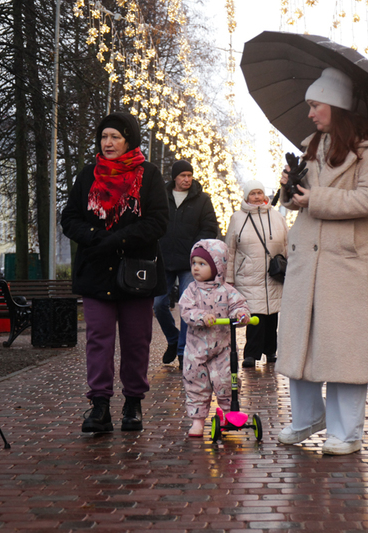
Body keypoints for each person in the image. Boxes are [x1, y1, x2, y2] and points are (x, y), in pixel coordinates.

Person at [275, 67, 368, 456]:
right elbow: (298, 202)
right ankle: (307, 417)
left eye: (315, 105)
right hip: (306, 263)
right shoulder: (311, 147)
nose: (309, 113)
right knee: (300, 344)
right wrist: (290, 189)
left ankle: (347, 433)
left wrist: (317, 198)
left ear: (336, 104)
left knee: (344, 350)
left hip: (347, 265)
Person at [61, 112, 168, 434]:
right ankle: (100, 407)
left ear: (128, 140)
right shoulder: (88, 175)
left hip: (137, 274)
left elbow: (158, 222)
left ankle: (133, 404)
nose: (107, 143)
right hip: (96, 271)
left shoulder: (149, 175)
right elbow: (70, 218)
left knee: (137, 341)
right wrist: (96, 237)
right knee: (98, 341)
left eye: (115, 137)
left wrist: (118, 239)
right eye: (104, 136)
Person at [179, 239, 250, 436]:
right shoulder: (191, 290)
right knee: (195, 381)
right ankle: (197, 421)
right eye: (194, 263)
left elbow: (239, 305)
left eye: (202, 264)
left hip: (223, 348)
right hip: (196, 349)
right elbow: (186, 310)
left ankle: (229, 412)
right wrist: (201, 316)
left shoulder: (227, 291)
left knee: (226, 380)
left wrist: (241, 315)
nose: (196, 268)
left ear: (218, 266)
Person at [155, 160, 220, 367]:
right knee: (158, 304)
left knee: (187, 305)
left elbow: (210, 227)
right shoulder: (161, 196)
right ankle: (173, 339)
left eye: (189, 175)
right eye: (183, 175)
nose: (187, 179)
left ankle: (183, 350)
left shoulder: (202, 199)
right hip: (163, 258)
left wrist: (196, 249)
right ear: (174, 177)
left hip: (190, 262)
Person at [225, 180, 288, 368]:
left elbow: (286, 245)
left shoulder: (277, 217)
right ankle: (251, 354)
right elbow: (230, 250)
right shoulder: (237, 218)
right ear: (246, 196)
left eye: (259, 192)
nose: (257, 197)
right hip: (248, 275)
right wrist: (229, 278)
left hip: (273, 274)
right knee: (255, 316)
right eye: (253, 193)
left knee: (272, 315)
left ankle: (270, 351)